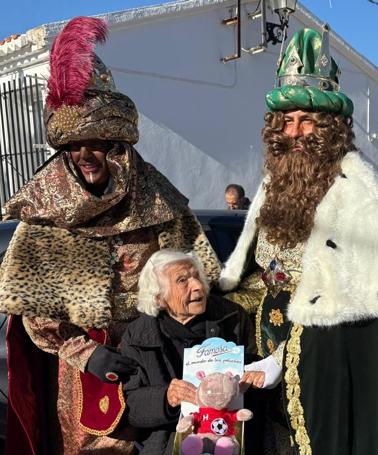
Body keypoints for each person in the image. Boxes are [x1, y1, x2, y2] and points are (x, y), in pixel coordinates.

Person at [0, 18, 221, 455]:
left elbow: (200, 280)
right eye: (74, 146)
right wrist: (87, 354)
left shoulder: (158, 203)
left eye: (97, 142)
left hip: (159, 365)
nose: (85, 156)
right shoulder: (47, 213)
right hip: (84, 375)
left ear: (117, 144)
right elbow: (33, 312)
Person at [220, 27, 378, 454]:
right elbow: (257, 276)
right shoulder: (273, 184)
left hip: (325, 366)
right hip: (260, 358)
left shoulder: (357, 189)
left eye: (307, 120)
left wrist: (282, 360)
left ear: (329, 126)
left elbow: (355, 312)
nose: (296, 131)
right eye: (287, 121)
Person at [121, 250, 254, 454]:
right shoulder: (138, 336)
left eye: (197, 276)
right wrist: (166, 398)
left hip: (229, 438)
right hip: (167, 442)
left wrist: (251, 379)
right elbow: (129, 406)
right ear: (159, 298)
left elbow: (256, 370)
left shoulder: (232, 318)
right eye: (183, 280)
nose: (198, 286)